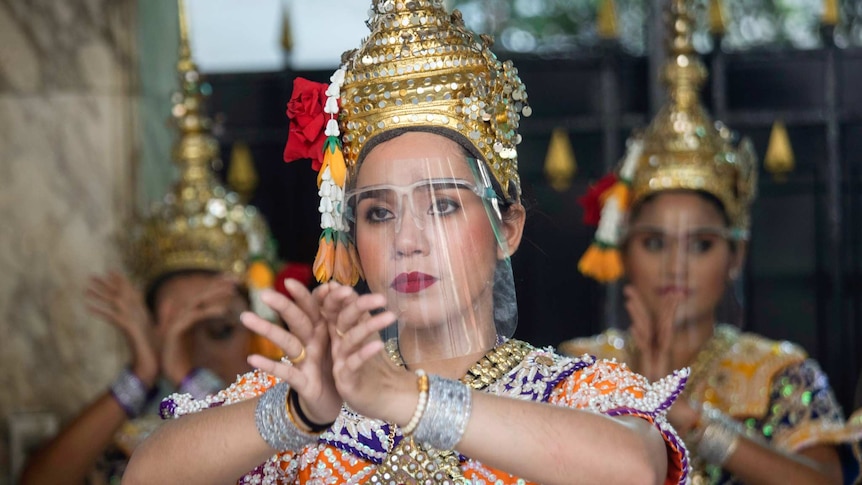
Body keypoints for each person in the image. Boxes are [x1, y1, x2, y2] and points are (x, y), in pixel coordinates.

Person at [124, 1, 691, 484]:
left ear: (507, 229)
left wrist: (409, 399)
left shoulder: (569, 390)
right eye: (378, 213)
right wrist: (297, 411)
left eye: (442, 204)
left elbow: (635, 468)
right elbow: (145, 473)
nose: (407, 240)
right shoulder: (318, 395)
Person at [558, 0, 862, 483]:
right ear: (622, 251)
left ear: (735, 256)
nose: (676, 265)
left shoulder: (778, 373)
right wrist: (641, 407)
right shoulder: (578, 366)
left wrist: (698, 425)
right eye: (655, 243)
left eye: (700, 245)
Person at [18, 10, 280, 483]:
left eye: (218, 330)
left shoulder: (300, 414)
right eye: (174, 333)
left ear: (261, 325)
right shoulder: (133, 436)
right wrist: (139, 375)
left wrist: (186, 377)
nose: (197, 354)